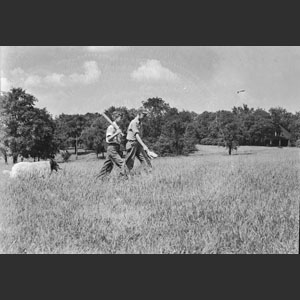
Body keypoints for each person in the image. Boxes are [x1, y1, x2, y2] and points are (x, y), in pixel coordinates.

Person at [121, 108, 152, 175]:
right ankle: (124, 177)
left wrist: (142, 145)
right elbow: (137, 135)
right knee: (129, 162)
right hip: (132, 144)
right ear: (139, 114)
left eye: (146, 115)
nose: (145, 116)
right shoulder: (134, 122)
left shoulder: (140, 123)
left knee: (145, 159)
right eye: (144, 115)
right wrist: (144, 146)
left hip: (138, 144)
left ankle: (148, 176)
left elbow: (140, 136)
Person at [95, 111, 125, 180]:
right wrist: (116, 133)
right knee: (122, 164)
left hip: (116, 147)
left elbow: (118, 140)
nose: (121, 119)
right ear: (116, 118)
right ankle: (122, 178)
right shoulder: (111, 127)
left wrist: (120, 136)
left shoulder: (118, 127)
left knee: (108, 165)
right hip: (112, 147)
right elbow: (108, 139)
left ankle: (99, 179)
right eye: (120, 117)